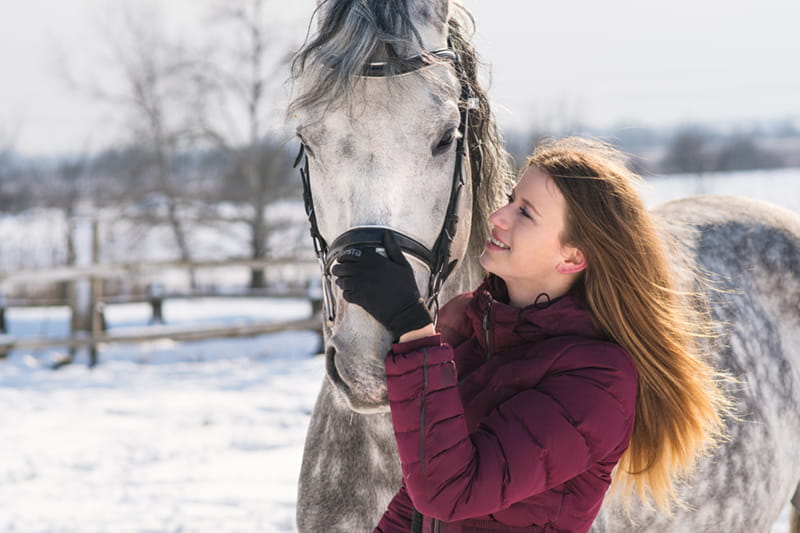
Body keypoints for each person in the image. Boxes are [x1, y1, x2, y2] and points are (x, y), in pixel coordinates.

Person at [332, 137, 730, 533]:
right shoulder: (468, 324)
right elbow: (416, 505)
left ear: (572, 257)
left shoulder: (599, 381)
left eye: (525, 212)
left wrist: (411, 326)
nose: (498, 216)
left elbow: (451, 491)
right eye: (509, 198)